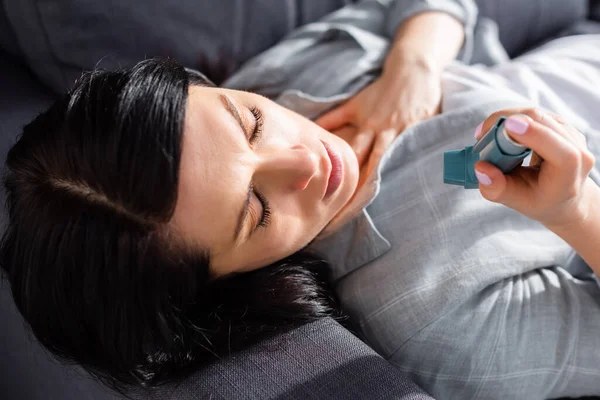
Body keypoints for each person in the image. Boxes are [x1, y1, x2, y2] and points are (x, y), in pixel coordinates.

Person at [1, 5, 600, 400]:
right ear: (225, 286)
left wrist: (413, 60)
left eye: (252, 124)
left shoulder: (278, 76)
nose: (309, 161)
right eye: (256, 211)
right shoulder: (433, 316)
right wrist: (575, 208)